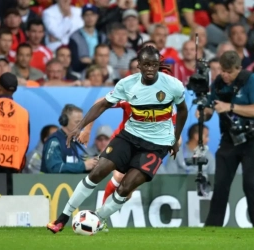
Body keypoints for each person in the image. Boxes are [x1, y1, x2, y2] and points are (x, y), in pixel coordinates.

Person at [47, 45, 188, 233]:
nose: (150, 69)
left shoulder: (173, 85)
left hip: (156, 145)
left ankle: (97, 219)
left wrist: (175, 138)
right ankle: (62, 218)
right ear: (138, 65)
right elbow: (103, 104)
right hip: (129, 137)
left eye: (154, 65)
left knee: (126, 187)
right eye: (146, 64)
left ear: (158, 64)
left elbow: (183, 110)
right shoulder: (127, 85)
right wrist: (79, 127)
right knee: (97, 172)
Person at [199, 51, 254, 227]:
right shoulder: (219, 84)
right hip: (229, 139)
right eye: (223, 70)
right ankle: (212, 227)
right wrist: (203, 113)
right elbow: (210, 110)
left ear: (239, 68)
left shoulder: (250, 80)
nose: (225, 75)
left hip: (253, 139)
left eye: (229, 71)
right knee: (221, 184)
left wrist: (229, 106)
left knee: (250, 184)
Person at [40, 104, 98, 173]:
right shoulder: (54, 141)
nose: (81, 126)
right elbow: (54, 167)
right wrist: (84, 166)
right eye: (77, 122)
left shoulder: (71, 142)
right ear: (65, 121)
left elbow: (73, 170)